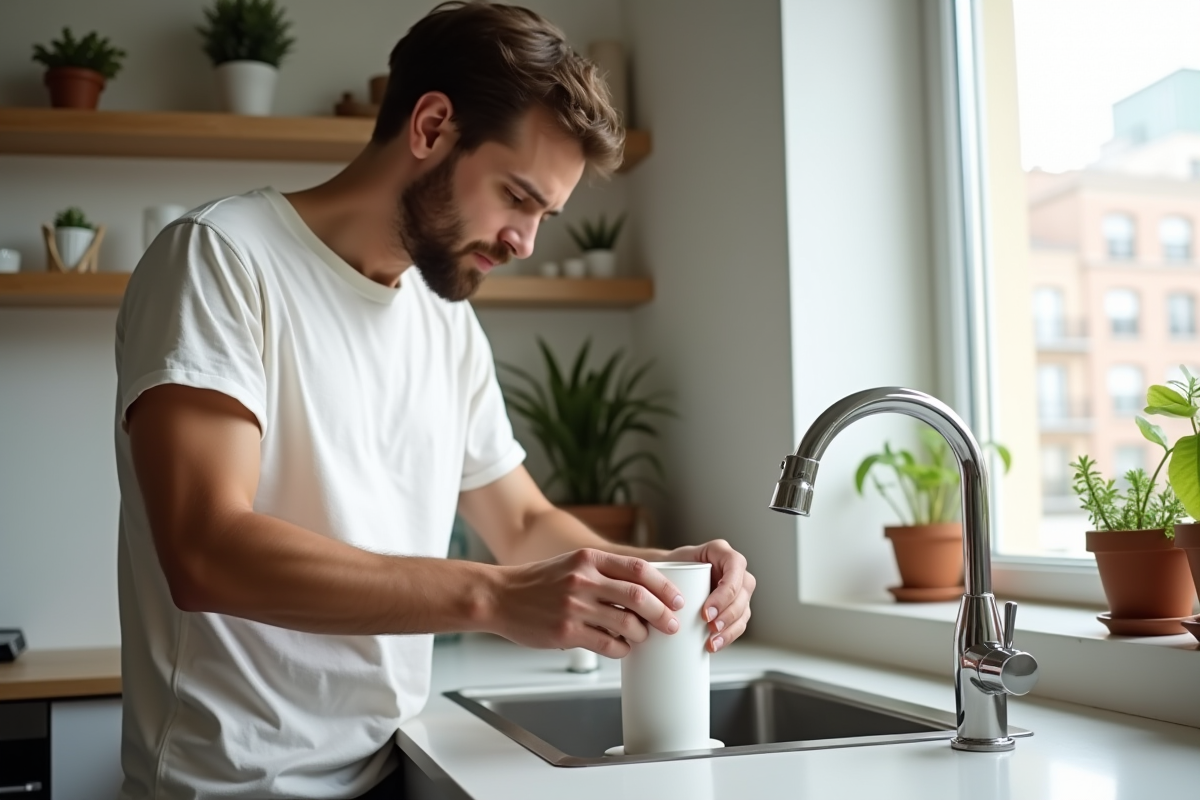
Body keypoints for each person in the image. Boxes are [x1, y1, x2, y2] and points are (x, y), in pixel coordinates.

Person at [113, 2, 755, 798]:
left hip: (388, 769)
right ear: (431, 126)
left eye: (545, 215)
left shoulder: (444, 324)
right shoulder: (221, 260)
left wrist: (662, 574)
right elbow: (206, 551)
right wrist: (491, 596)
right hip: (231, 787)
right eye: (517, 197)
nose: (526, 241)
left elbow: (520, 522)